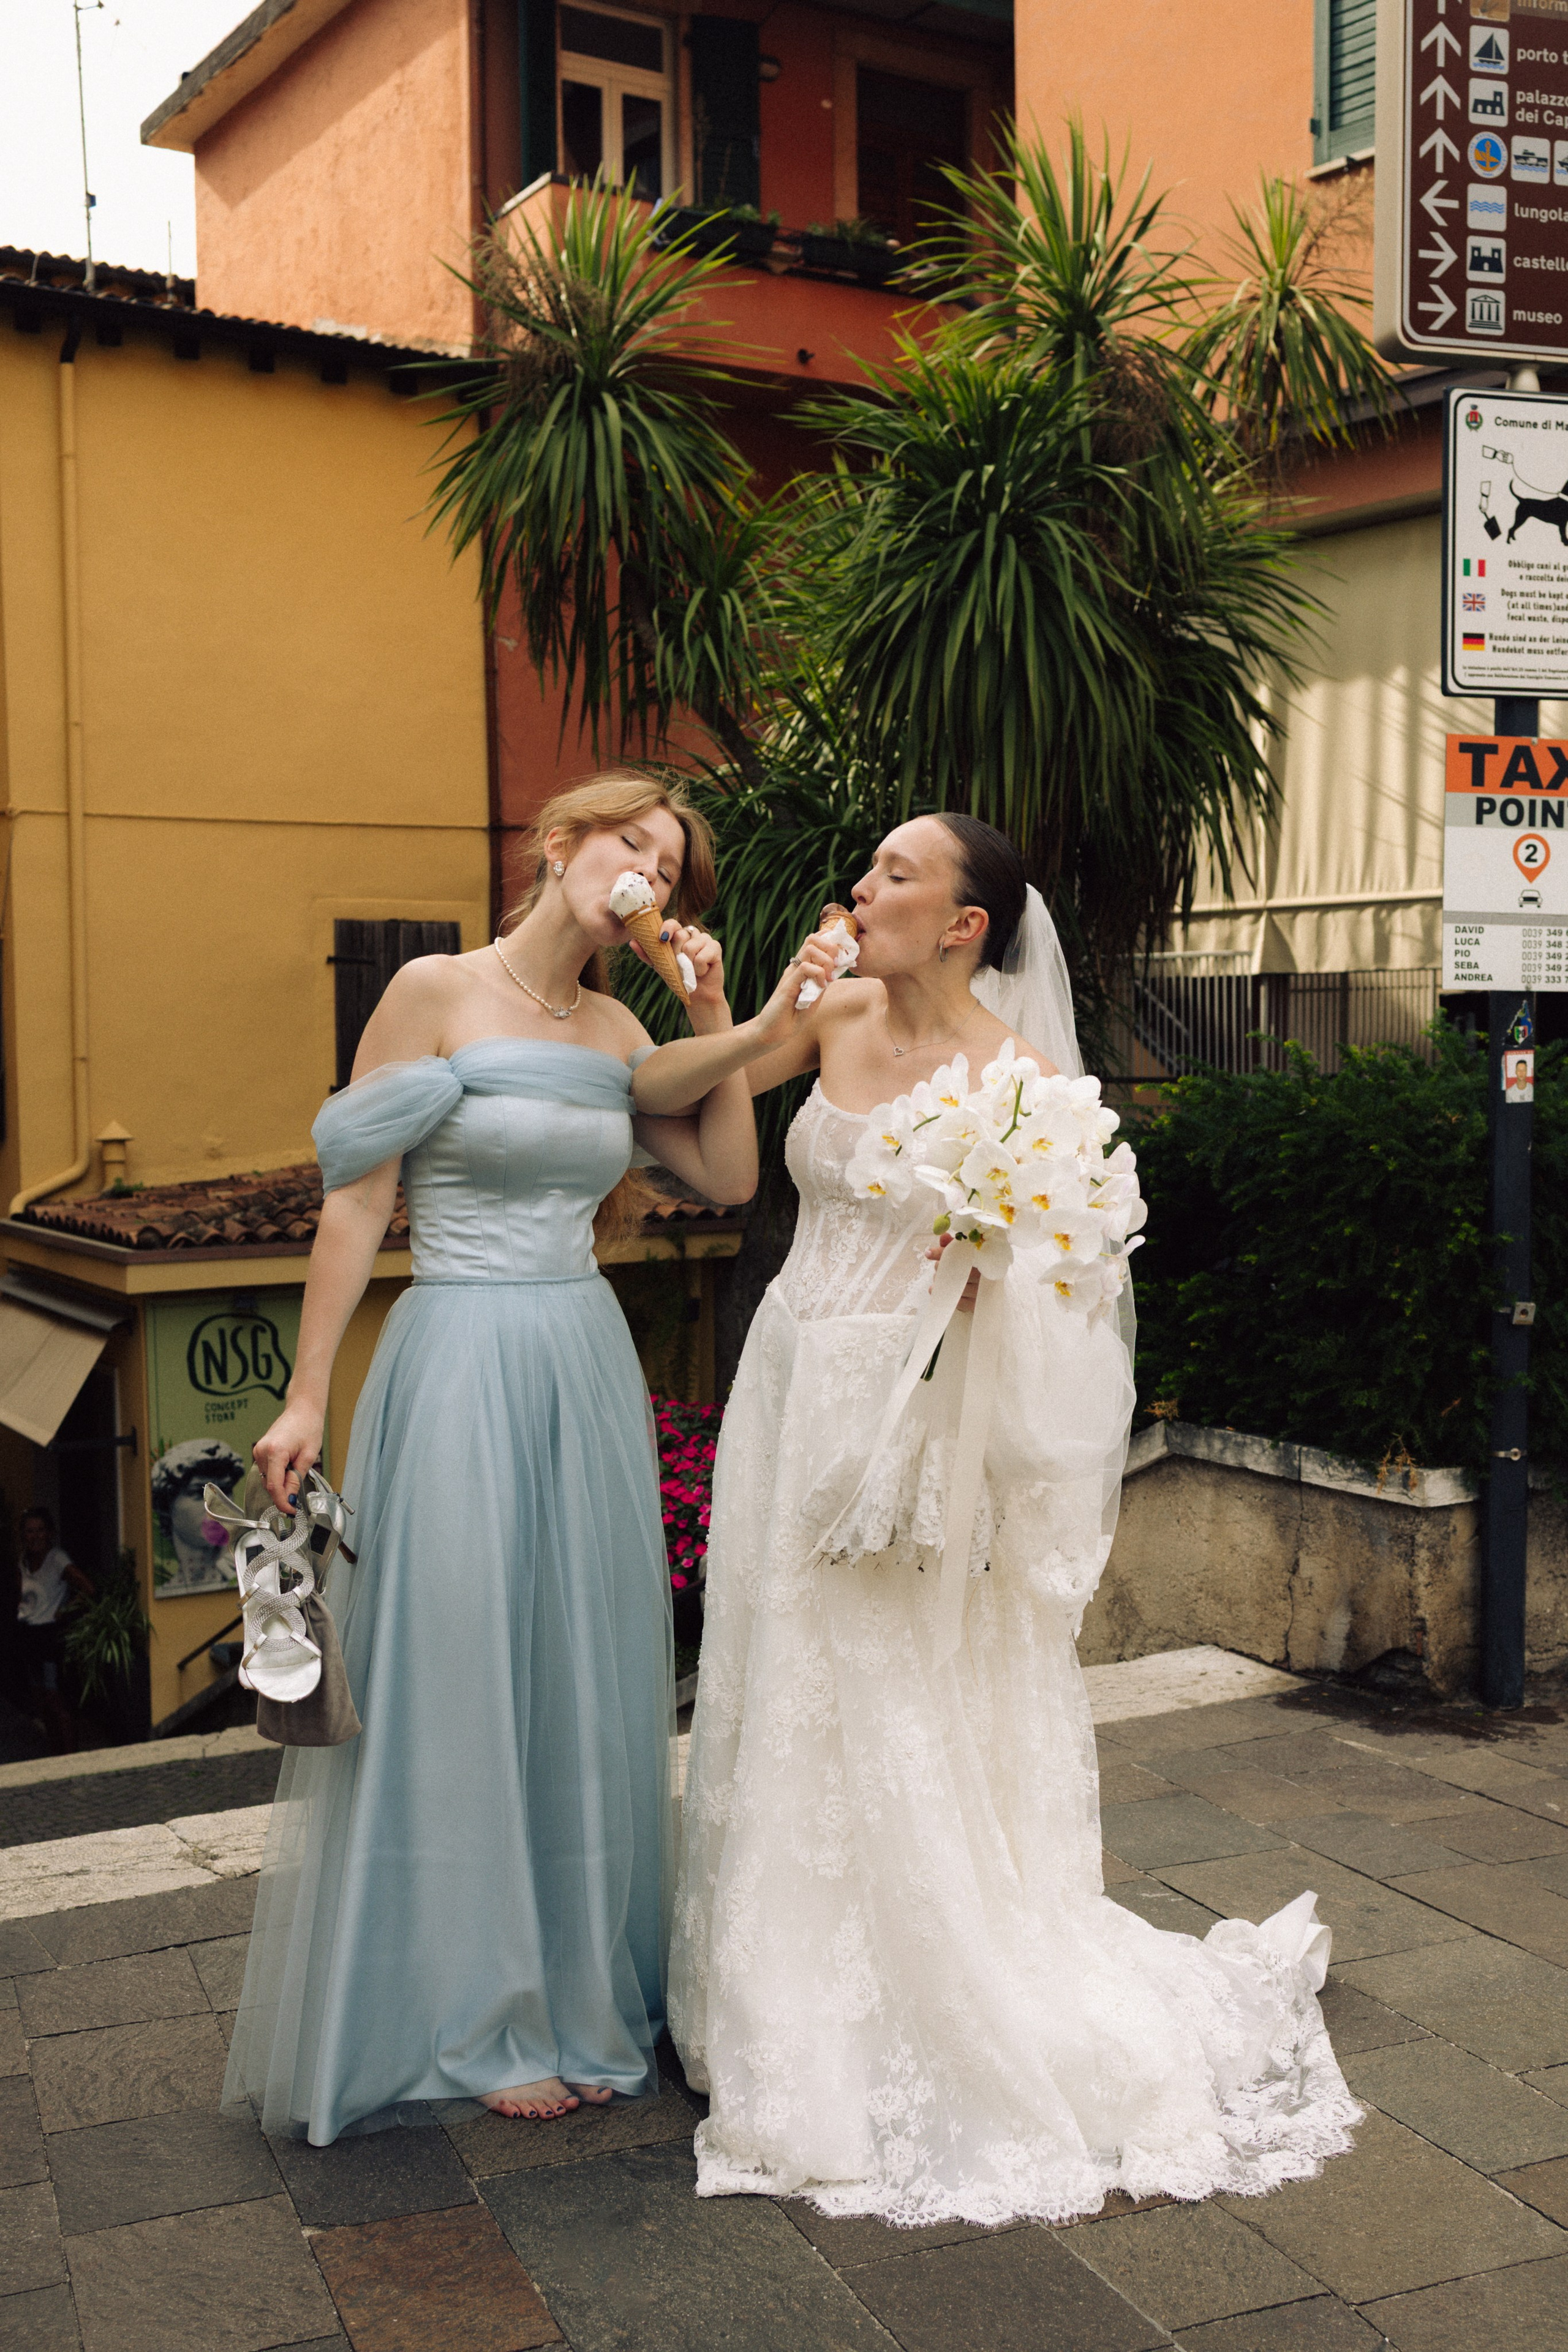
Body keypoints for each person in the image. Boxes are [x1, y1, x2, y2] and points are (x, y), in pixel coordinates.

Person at [635, 812, 1360, 2225]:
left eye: (896, 873)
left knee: (889, 1689)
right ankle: (773, 1990)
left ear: (965, 923)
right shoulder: (833, 1011)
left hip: (912, 1416)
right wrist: (737, 1013)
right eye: (869, 866)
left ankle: (902, 1998)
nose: (861, 886)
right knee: (779, 1674)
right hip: (788, 1377)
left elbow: (1059, 1295)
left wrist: (986, 1305)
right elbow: (670, 1102)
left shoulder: (1021, 1084)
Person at [224, 772, 838, 2144]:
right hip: (454, 1358)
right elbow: (355, 1203)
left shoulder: (621, 1029)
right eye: (633, 845)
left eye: (668, 869)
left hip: (578, 1359)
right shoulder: (433, 992)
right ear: (563, 844)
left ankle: (569, 1986)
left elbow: (731, 1177)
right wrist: (306, 1397)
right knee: (461, 1672)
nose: (649, 877)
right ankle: (477, 2009)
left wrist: (711, 1010)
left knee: (577, 1674)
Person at [17, 1508, 94, 1754]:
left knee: (56, 1700)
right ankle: (55, 1754)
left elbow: (89, 1589)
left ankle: (70, 1758)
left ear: (50, 1533)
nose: (35, 1536)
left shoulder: (57, 1558)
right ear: (23, 1535)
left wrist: (65, 1610)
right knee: (41, 1701)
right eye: (30, 1531)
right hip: (29, 1636)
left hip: (51, 1638)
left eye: (40, 1530)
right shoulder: (24, 1562)